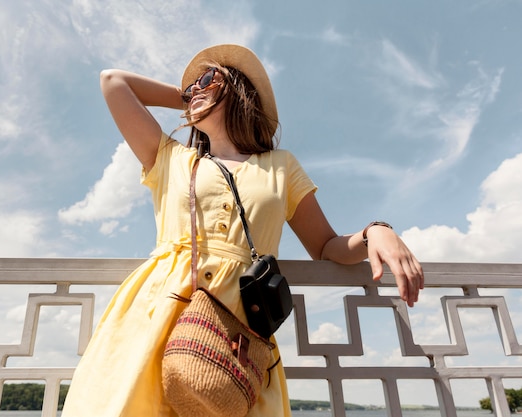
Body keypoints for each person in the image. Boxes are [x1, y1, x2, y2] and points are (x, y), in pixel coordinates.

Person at [61, 44, 424, 417]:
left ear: (238, 89)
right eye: (192, 88)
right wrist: (193, 94)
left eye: (207, 79)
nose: (195, 91)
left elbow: (326, 245)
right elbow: (113, 82)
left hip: (239, 335)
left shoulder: (281, 167)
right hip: (157, 315)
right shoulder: (170, 157)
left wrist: (375, 232)